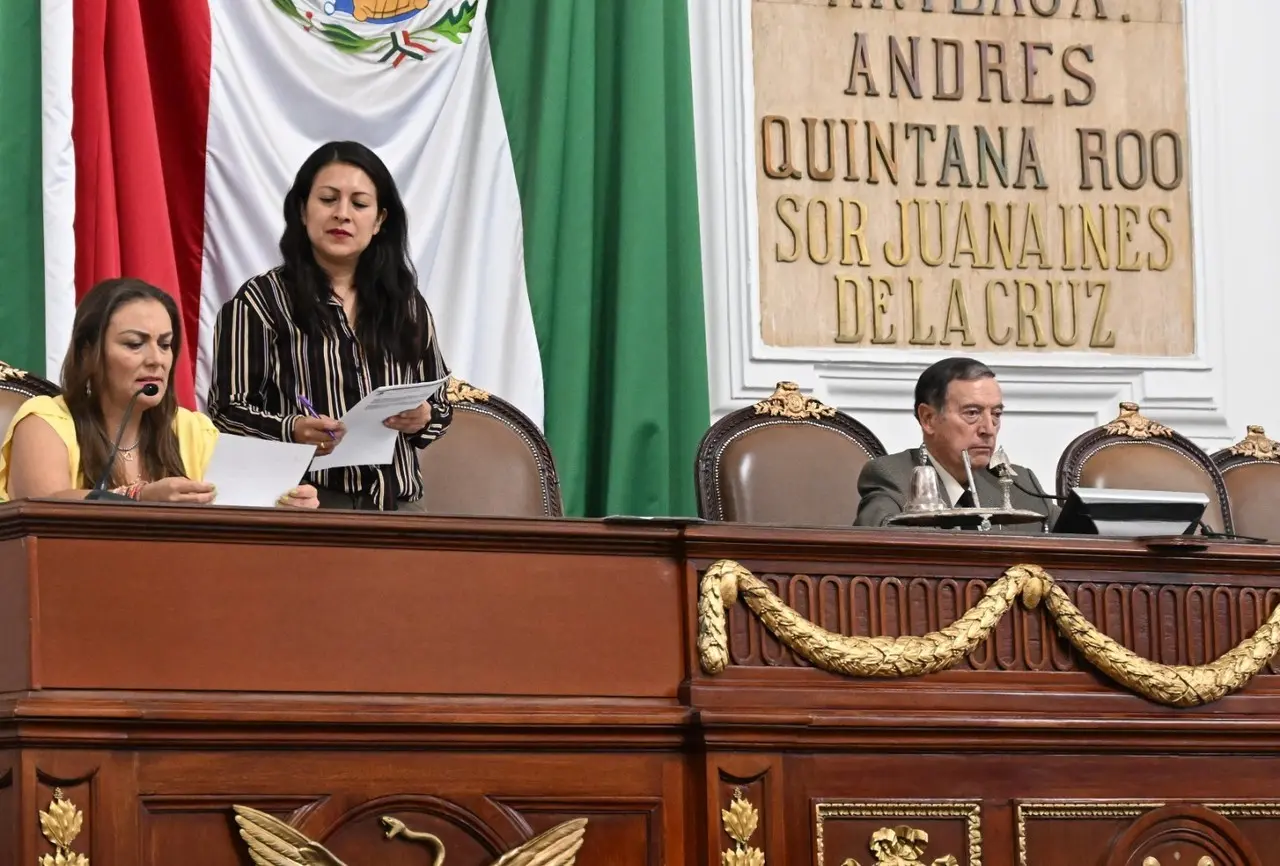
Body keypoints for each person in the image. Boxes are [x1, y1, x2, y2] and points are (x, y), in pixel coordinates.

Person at [207, 141, 451, 511]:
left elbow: (441, 404)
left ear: (380, 220)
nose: (342, 214)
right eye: (328, 199)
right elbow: (226, 411)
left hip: (399, 508)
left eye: (359, 203)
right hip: (302, 506)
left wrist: (423, 417)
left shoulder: (407, 304)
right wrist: (292, 429)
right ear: (303, 210)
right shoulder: (261, 301)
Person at [0, 278, 318, 507]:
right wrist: (139, 498)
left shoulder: (192, 431)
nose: (156, 359)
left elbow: (235, 505)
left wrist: (284, 501)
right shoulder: (46, 421)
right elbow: (45, 509)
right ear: (88, 354)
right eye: (134, 344)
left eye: (165, 345)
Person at [855, 357, 1059, 530]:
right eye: (972, 413)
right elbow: (875, 551)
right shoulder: (893, 478)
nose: (988, 429)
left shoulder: (1021, 484)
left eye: (996, 414)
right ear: (928, 419)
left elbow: (1082, 536)